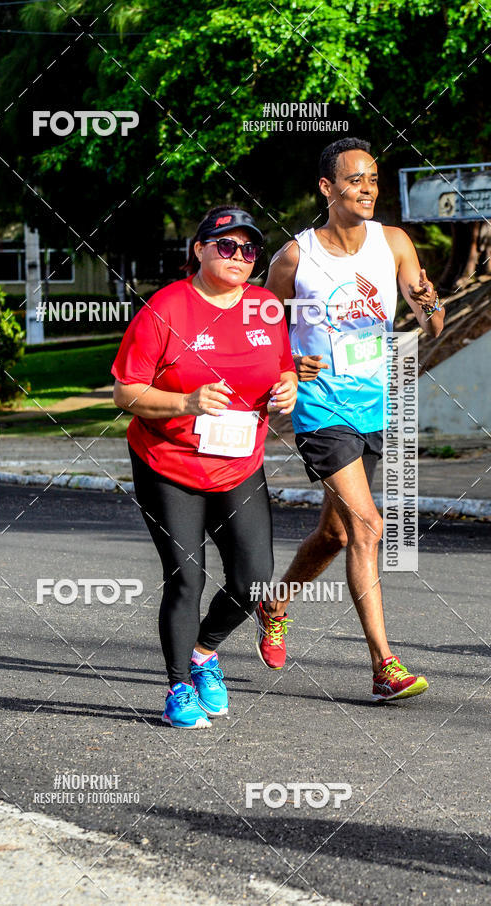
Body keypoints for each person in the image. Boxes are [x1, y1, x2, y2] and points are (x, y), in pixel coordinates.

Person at [253, 138, 445, 701]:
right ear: (327, 188)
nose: (367, 188)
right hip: (319, 408)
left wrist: (431, 303)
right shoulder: (296, 256)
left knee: (335, 533)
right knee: (369, 526)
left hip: (372, 404)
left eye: (374, 179)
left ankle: (275, 601)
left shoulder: (393, 243)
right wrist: (288, 362)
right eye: (356, 179)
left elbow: (431, 324)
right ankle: (385, 667)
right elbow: (258, 329)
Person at [112, 206, 298, 727]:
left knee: (253, 580)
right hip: (168, 463)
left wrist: (289, 386)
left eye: (250, 249)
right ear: (200, 250)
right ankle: (176, 688)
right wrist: (186, 403)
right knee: (186, 579)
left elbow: (282, 368)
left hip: (238, 464)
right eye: (227, 246)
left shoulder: (265, 308)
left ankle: (203, 654)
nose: (240, 257)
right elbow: (125, 392)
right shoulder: (165, 308)